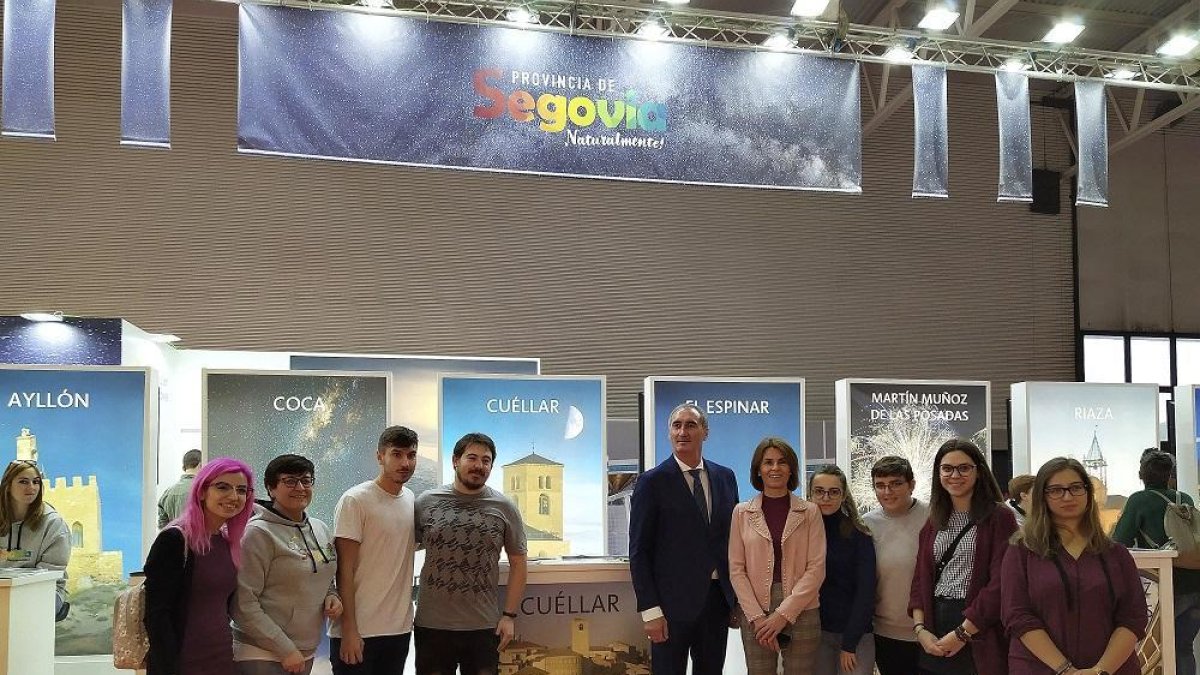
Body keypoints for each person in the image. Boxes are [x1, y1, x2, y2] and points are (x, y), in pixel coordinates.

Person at [1002, 457, 1146, 675]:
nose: (1067, 496)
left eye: (1076, 488)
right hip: (1039, 668)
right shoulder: (1022, 551)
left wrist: (1100, 671)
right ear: (1042, 496)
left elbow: (1132, 617)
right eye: (1056, 490)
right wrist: (1066, 671)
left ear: (1088, 493)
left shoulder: (1116, 554)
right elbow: (1018, 616)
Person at [629, 403, 739, 675]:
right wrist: (650, 610)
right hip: (669, 607)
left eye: (691, 425)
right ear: (669, 433)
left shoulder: (726, 478)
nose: (683, 432)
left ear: (705, 432)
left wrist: (735, 600)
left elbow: (733, 542)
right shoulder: (651, 482)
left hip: (716, 603)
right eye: (677, 426)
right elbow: (639, 552)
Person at [414, 432, 528, 675]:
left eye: (485, 461)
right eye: (472, 458)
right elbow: (403, 550)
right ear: (456, 460)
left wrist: (509, 616)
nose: (478, 466)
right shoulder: (426, 502)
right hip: (432, 626)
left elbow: (518, 562)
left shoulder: (505, 508)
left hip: (483, 627)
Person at [909, 439, 1015, 675]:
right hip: (934, 624)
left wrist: (963, 633)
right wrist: (920, 629)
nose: (954, 475)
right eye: (947, 468)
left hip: (977, 627)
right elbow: (920, 579)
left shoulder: (999, 517)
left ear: (979, 471)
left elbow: (1002, 583)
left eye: (964, 468)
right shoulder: (934, 520)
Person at [232, 454, 343, 675]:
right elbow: (243, 604)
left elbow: (325, 574)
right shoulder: (258, 533)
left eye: (306, 480)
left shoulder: (319, 529)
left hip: (304, 650)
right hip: (261, 651)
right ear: (271, 489)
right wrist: (284, 649)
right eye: (290, 481)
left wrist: (333, 595)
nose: (300, 487)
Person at [144, 457, 255, 675]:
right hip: (182, 661)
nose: (233, 496)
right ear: (202, 492)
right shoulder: (175, 540)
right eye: (223, 487)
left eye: (241, 490)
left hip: (222, 656)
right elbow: (157, 615)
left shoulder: (227, 542)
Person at [328, 426, 420, 675]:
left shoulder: (411, 500)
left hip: (398, 629)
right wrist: (348, 629)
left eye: (411, 455)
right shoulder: (355, 500)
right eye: (396, 454)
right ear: (380, 456)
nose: (405, 462)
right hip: (359, 632)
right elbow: (343, 569)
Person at [729, 437, 825, 675]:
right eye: (768, 462)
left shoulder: (810, 512)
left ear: (791, 468)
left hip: (803, 606)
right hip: (755, 610)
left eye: (782, 462)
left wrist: (783, 614)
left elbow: (816, 568)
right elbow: (736, 569)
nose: (775, 468)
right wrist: (757, 618)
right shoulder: (741, 513)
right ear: (758, 470)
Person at [1111, 449, 1200, 675]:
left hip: (1167, 586)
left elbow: (1118, 541)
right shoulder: (1185, 498)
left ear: (1142, 474)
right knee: (1183, 648)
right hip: (1196, 582)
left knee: (1154, 649)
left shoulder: (1139, 500)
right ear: (1170, 475)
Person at [863, 455, 931, 675]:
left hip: (932, 631)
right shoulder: (866, 524)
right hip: (886, 633)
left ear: (911, 484)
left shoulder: (934, 517)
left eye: (895, 484)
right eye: (880, 486)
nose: (887, 492)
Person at [809, 465, 876, 675]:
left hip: (855, 635)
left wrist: (849, 643)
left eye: (834, 491)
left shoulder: (859, 534)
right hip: (815, 634)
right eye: (819, 491)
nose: (826, 497)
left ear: (843, 494)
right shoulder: (802, 533)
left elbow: (866, 592)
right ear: (810, 494)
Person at [0, 459, 70, 615]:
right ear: (8, 485)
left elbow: (49, 573)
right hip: (3, 589)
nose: (31, 488)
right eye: (23, 482)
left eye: (36, 482)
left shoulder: (53, 524)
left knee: (18, 607)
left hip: (46, 589)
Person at [159, 449, 203, 528]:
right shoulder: (204, 491)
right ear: (201, 465)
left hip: (174, 539)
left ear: (183, 467)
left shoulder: (167, 493)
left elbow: (163, 527)